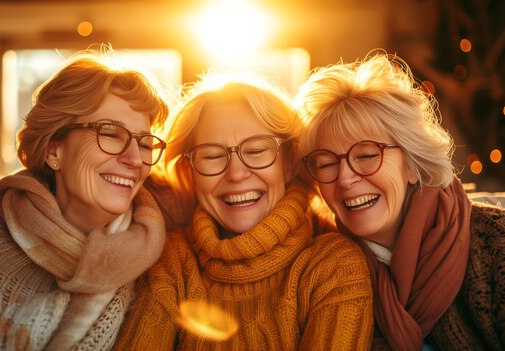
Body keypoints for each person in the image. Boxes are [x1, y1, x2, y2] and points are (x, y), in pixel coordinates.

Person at [0, 51, 169, 350]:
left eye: (145, 143)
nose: (135, 159)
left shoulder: (157, 266)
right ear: (53, 152)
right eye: (110, 133)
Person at [294, 52, 505, 351]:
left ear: (412, 164)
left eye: (368, 155)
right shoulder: (325, 268)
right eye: (326, 163)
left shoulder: (498, 244)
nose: (345, 178)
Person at [114, 73, 374, 350]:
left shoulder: (333, 263)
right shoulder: (173, 259)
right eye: (212, 155)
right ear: (191, 173)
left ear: (288, 164)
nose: (236, 174)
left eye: (257, 150)